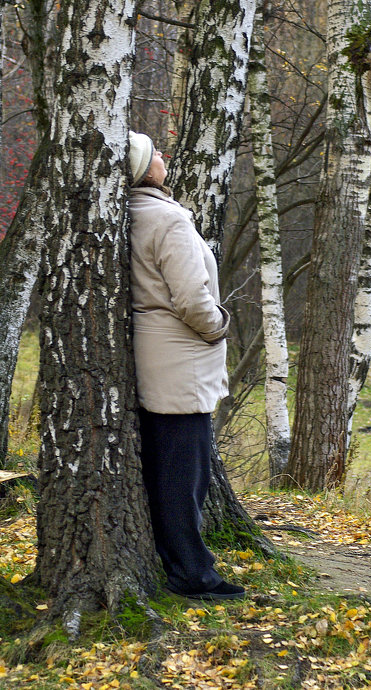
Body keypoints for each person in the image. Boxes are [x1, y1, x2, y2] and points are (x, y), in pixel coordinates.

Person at [127, 131, 245, 601]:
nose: (163, 157)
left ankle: (178, 562)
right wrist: (218, 327)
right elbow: (193, 299)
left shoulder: (127, 215)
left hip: (151, 353)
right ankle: (193, 575)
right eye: (154, 153)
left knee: (164, 468)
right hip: (180, 358)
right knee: (184, 475)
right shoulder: (168, 219)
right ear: (140, 168)